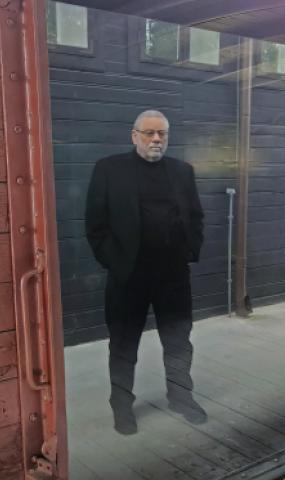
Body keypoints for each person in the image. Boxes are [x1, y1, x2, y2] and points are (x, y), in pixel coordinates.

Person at [85, 110, 206, 435]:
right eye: (149, 133)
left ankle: (181, 398)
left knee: (179, 341)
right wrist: (116, 262)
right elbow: (95, 226)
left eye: (162, 134)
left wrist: (190, 250)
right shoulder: (109, 169)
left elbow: (196, 217)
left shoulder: (183, 171)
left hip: (173, 277)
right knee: (123, 345)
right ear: (134, 135)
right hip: (128, 278)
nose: (156, 139)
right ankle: (122, 407)